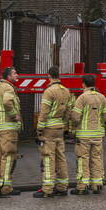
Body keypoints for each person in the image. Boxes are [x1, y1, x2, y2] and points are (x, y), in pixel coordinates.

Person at [33, 65, 74, 198]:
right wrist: (64, 124)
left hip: (49, 130)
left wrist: (39, 128)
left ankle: (48, 189)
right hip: (60, 128)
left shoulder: (49, 92)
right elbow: (68, 111)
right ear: (59, 75)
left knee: (48, 157)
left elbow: (44, 112)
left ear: (49, 75)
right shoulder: (66, 91)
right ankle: (62, 187)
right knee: (61, 157)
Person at [69, 74, 106, 195]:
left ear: (83, 84)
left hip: (84, 135)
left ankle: (82, 186)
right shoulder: (101, 97)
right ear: (94, 83)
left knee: (83, 159)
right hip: (97, 135)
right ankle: (97, 185)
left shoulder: (82, 98)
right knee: (97, 158)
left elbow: (76, 117)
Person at [0, 66, 22, 196]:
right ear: (8, 76)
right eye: (14, 73)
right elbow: (7, 102)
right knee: (8, 156)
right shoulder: (8, 88)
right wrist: (15, 115)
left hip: (0, 127)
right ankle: (6, 187)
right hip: (9, 128)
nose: (17, 75)